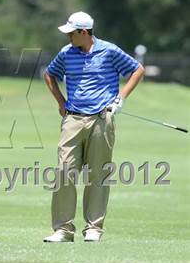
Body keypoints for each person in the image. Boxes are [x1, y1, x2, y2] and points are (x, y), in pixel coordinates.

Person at [43, 12, 145, 242]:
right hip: (73, 119)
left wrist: (121, 98)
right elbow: (49, 75)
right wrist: (61, 103)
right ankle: (63, 230)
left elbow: (137, 69)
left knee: (98, 175)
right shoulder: (66, 54)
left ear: (84, 32)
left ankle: (93, 228)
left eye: (72, 32)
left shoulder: (109, 51)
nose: (68, 36)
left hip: (101, 119)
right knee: (63, 172)